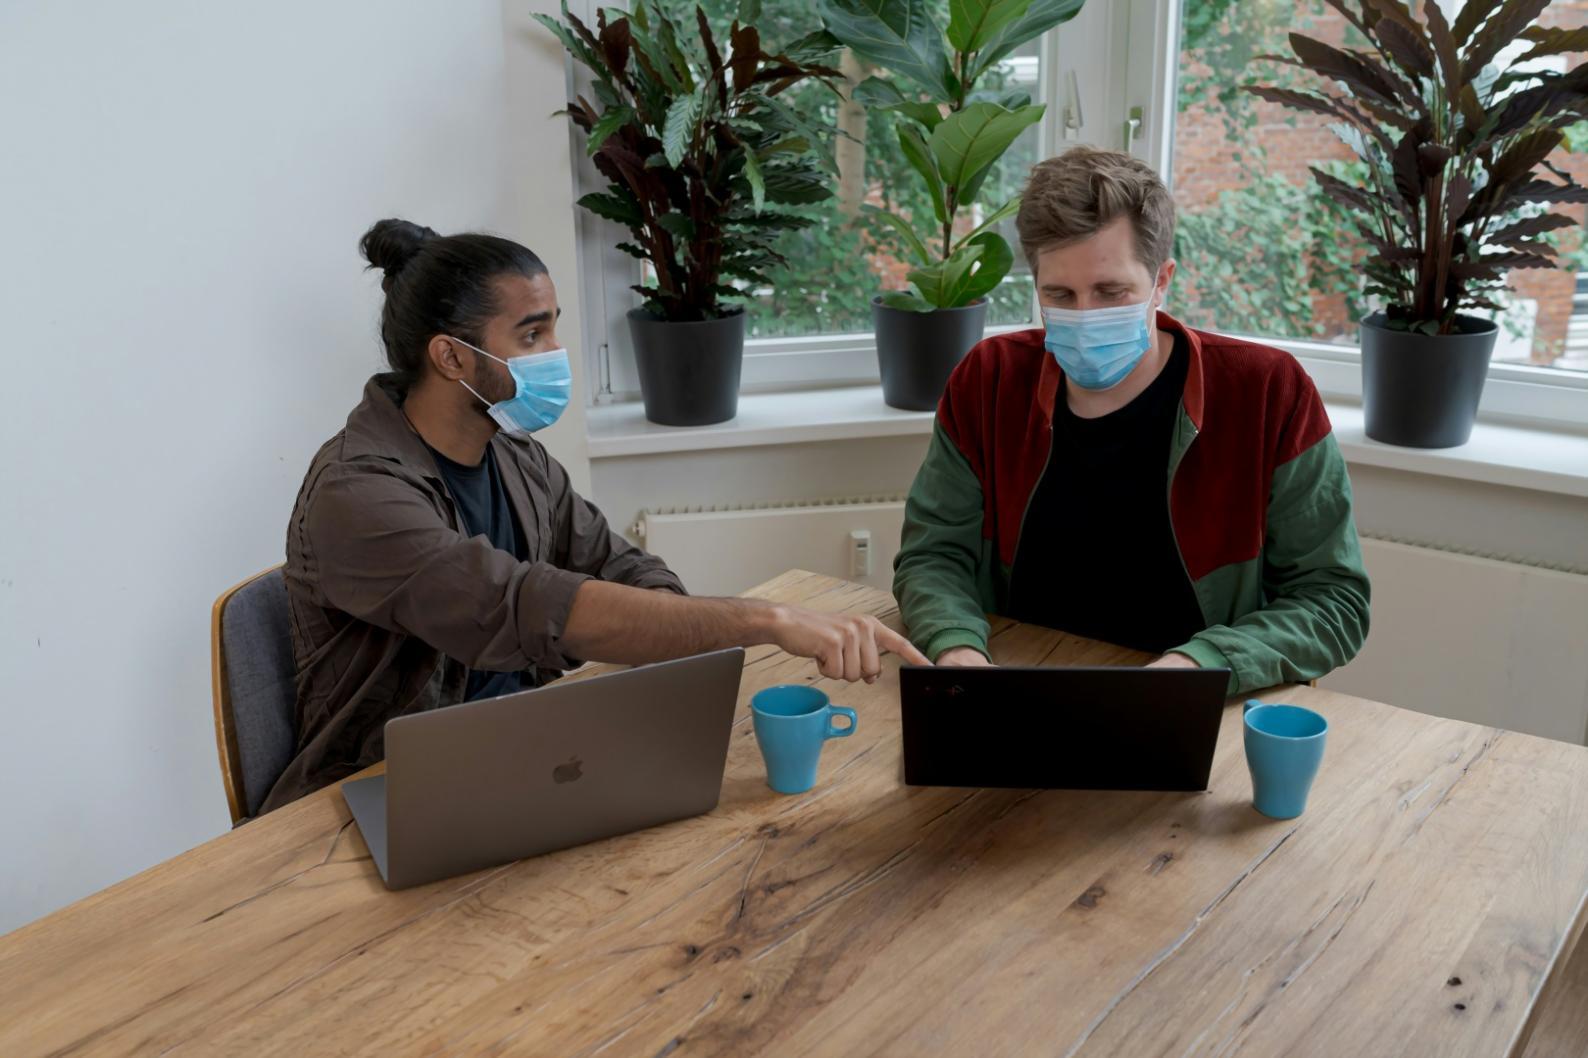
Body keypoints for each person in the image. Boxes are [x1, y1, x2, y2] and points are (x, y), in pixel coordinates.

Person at [260, 219, 927, 813]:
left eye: (553, 325)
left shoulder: (518, 460)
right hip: (378, 795)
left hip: (523, 756)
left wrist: (671, 640)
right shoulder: (358, 494)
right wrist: (764, 620)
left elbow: (620, 565)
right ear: (452, 356)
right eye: (532, 333)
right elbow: (519, 606)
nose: (556, 351)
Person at [893, 147, 1369, 694]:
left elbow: (1333, 600)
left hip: (1199, 702)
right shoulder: (990, 380)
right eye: (1059, 295)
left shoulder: (1266, 391)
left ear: (1161, 279)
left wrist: (1197, 667)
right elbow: (933, 556)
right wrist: (956, 647)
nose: (1084, 315)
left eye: (1111, 292)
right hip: (1016, 688)